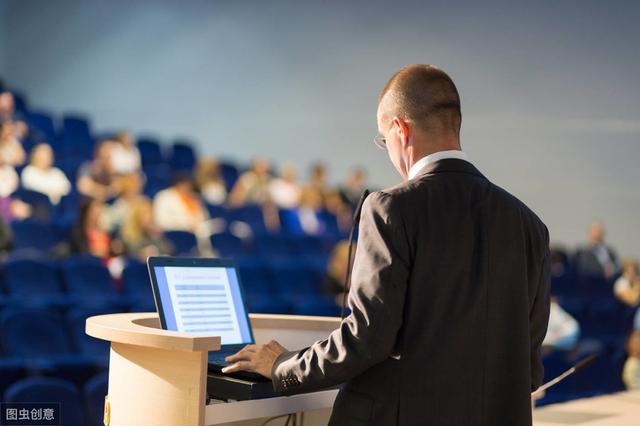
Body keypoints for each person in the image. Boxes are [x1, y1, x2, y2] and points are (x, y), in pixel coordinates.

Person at [223, 64, 550, 425]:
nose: (387, 150)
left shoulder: (391, 207)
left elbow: (368, 338)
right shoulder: (529, 225)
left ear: (400, 129)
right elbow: (528, 368)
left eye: (383, 139)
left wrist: (283, 365)